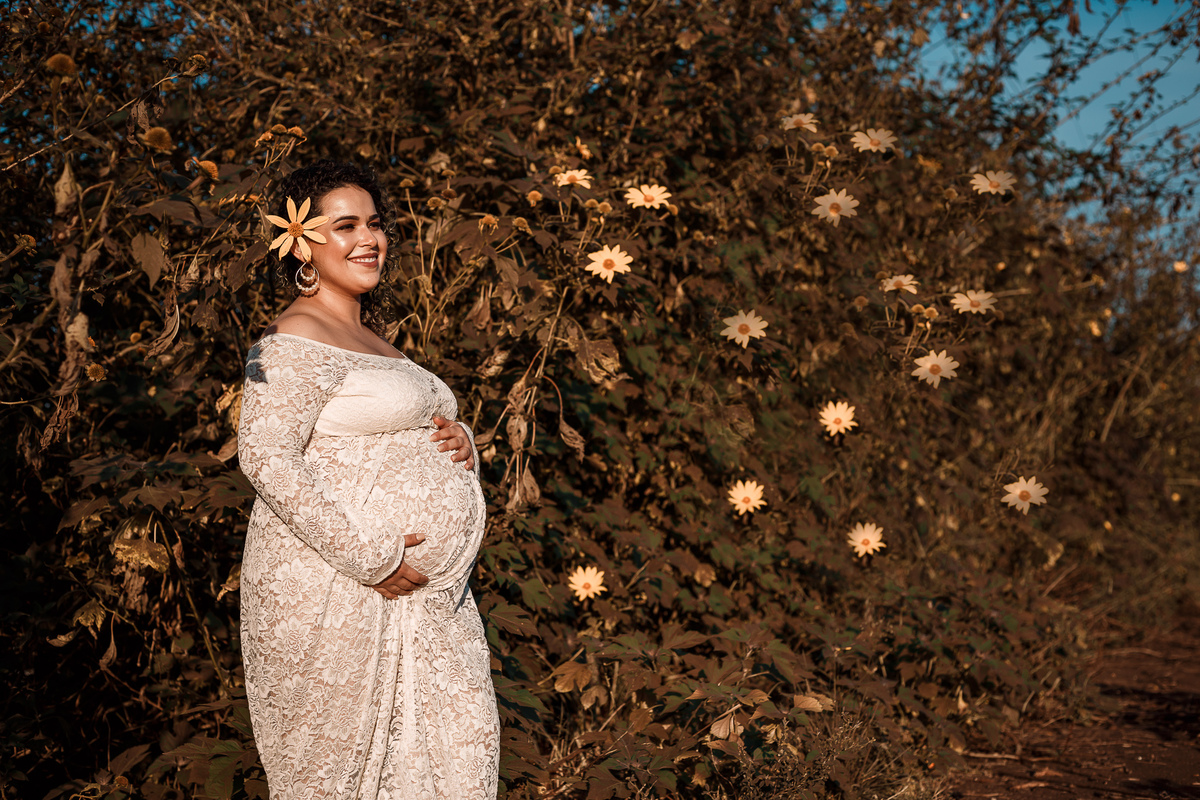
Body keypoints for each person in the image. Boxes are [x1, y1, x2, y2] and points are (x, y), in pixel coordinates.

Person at [236, 160, 499, 798]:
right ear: (302, 244)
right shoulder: (296, 334)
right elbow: (265, 457)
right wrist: (374, 560)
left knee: (456, 769)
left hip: (430, 603)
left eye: (376, 224)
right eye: (346, 224)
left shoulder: (374, 338)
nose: (369, 239)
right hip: (349, 593)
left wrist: (461, 441)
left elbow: (400, 429)